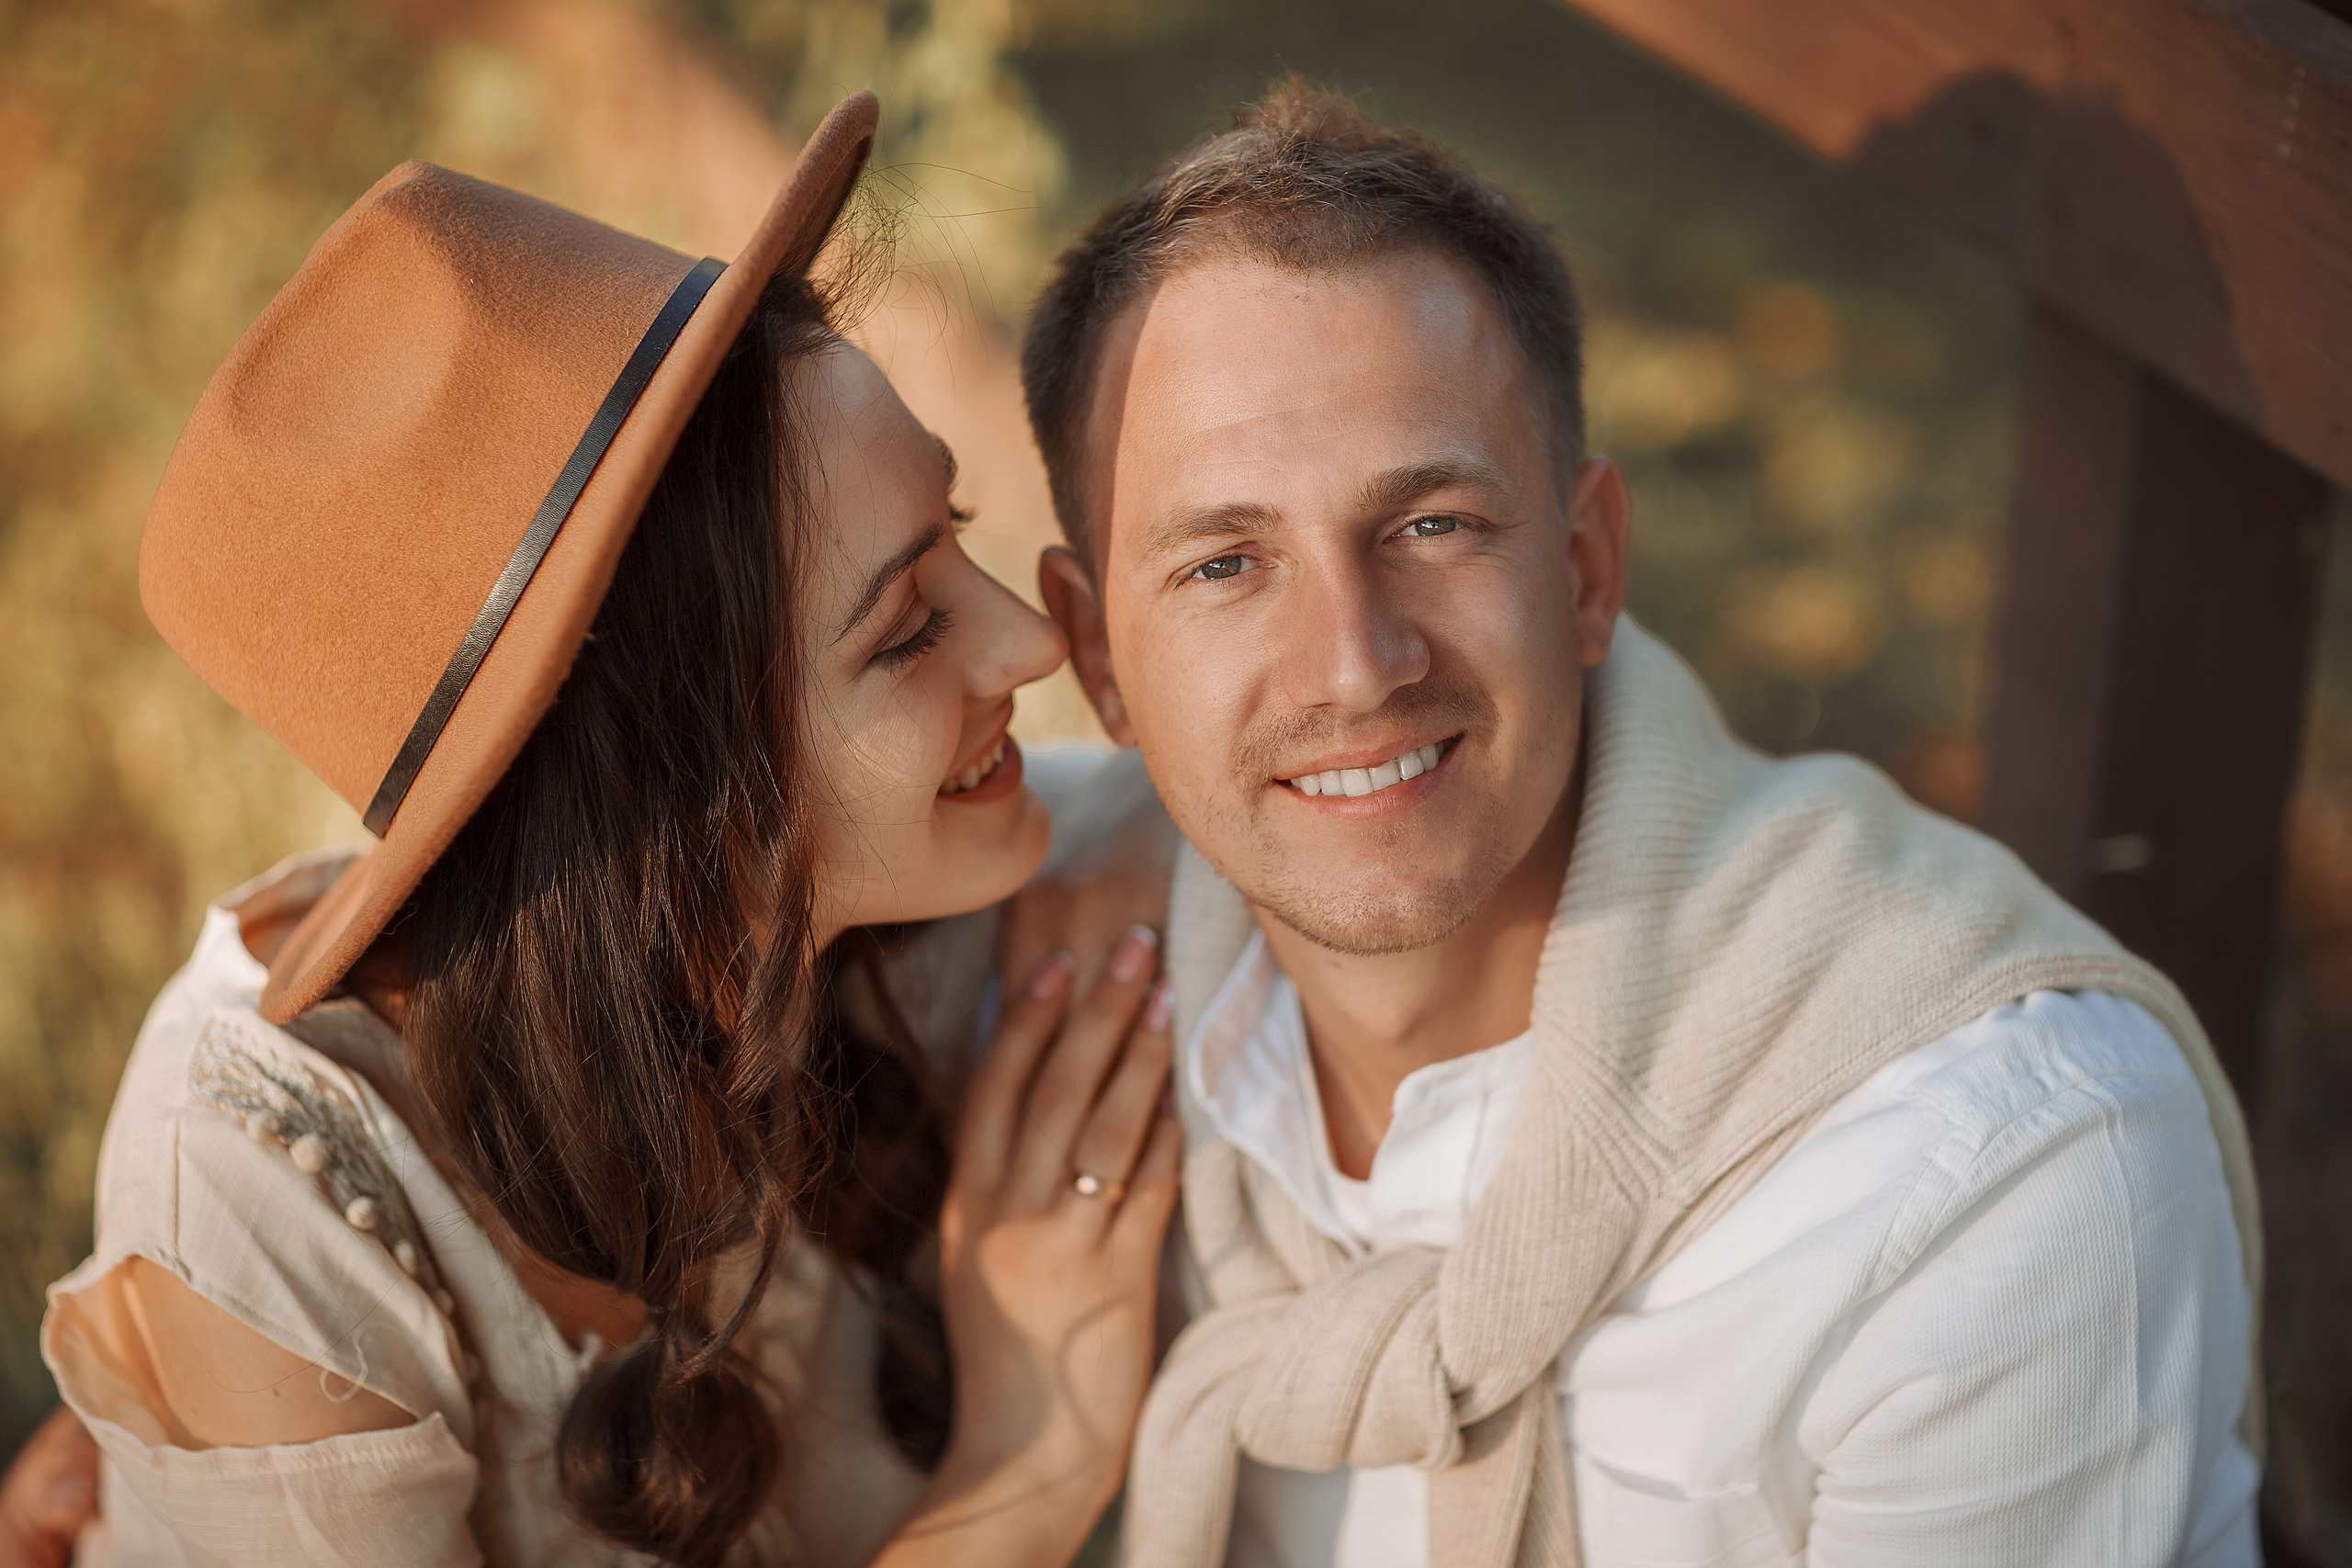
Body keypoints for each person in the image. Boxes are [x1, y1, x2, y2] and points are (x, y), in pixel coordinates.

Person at [1018, 82, 2265, 1566]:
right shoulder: (1047, 960)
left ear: (1590, 564)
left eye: (1432, 525)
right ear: (1097, 659)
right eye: (1226, 563)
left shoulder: (1989, 1177)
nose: (1357, 663)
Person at [30, 91, 1182, 1568]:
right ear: (663, 789)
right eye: (905, 634)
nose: (1028, 643)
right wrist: (1029, 1462)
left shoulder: (913, 895)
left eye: (953, 536)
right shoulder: (267, 1197)